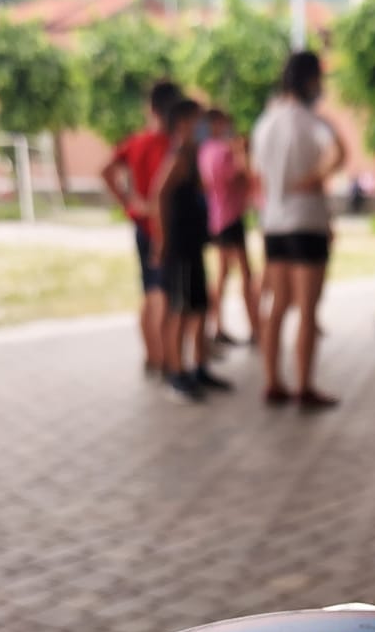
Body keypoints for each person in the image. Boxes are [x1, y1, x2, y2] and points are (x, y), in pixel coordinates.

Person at [252, 50, 345, 408]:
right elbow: (338, 153)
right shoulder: (311, 121)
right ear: (310, 80)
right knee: (307, 309)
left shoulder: (265, 123)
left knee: (277, 305)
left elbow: (257, 172)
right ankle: (304, 385)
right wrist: (314, 178)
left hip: (274, 223)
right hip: (307, 222)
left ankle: (272, 381)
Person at [151, 98, 232, 403]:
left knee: (199, 308)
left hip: (195, 246)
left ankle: (199, 367)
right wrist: (162, 240)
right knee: (181, 311)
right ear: (183, 124)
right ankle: (177, 372)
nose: (204, 127)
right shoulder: (177, 159)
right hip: (181, 249)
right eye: (198, 121)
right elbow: (158, 195)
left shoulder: (194, 156)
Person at [103, 80, 181, 377]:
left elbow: (106, 171)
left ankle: (153, 356)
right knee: (163, 294)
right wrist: (135, 203)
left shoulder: (137, 141)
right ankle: (167, 359)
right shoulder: (170, 146)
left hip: (142, 226)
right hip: (162, 228)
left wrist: (129, 202)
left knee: (149, 291)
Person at [198, 108, 258, 348]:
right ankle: (253, 327)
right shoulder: (222, 151)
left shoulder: (206, 151)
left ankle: (217, 326)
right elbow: (242, 177)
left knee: (223, 275)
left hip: (220, 217)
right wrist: (242, 152)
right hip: (229, 218)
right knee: (243, 275)